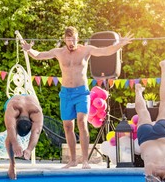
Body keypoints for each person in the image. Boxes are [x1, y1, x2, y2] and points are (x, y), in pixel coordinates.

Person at [21, 26, 133, 169]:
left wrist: (119, 44)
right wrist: (29, 50)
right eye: (69, 40)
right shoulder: (59, 52)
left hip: (81, 93)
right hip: (66, 93)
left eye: (73, 40)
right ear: (64, 40)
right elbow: (39, 55)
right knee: (68, 126)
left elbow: (105, 51)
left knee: (82, 121)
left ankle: (85, 161)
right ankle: (73, 160)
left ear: (77, 38)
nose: (71, 43)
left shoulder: (86, 50)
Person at [4, 94, 43, 179]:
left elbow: (36, 131)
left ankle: (13, 164)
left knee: (36, 130)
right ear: (16, 121)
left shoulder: (36, 112)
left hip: (32, 101)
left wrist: (29, 149)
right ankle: (12, 164)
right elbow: (10, 127)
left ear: (32, 122)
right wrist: (15, 143)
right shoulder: (12, 108)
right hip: (15, 100)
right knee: (10, 136)